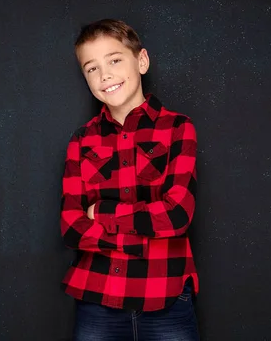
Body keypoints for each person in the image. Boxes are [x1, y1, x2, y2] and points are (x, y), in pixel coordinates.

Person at [60, 19, 200, 340]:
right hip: (97, 296)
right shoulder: (82, 141)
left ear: (141, 61)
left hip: (165, 292)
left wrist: (102, 212)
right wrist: (134, 242)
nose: (104, 74)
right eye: (91, 68)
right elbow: (71, 226)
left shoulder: (178, 128)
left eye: (114, 60)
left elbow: (176, 215)